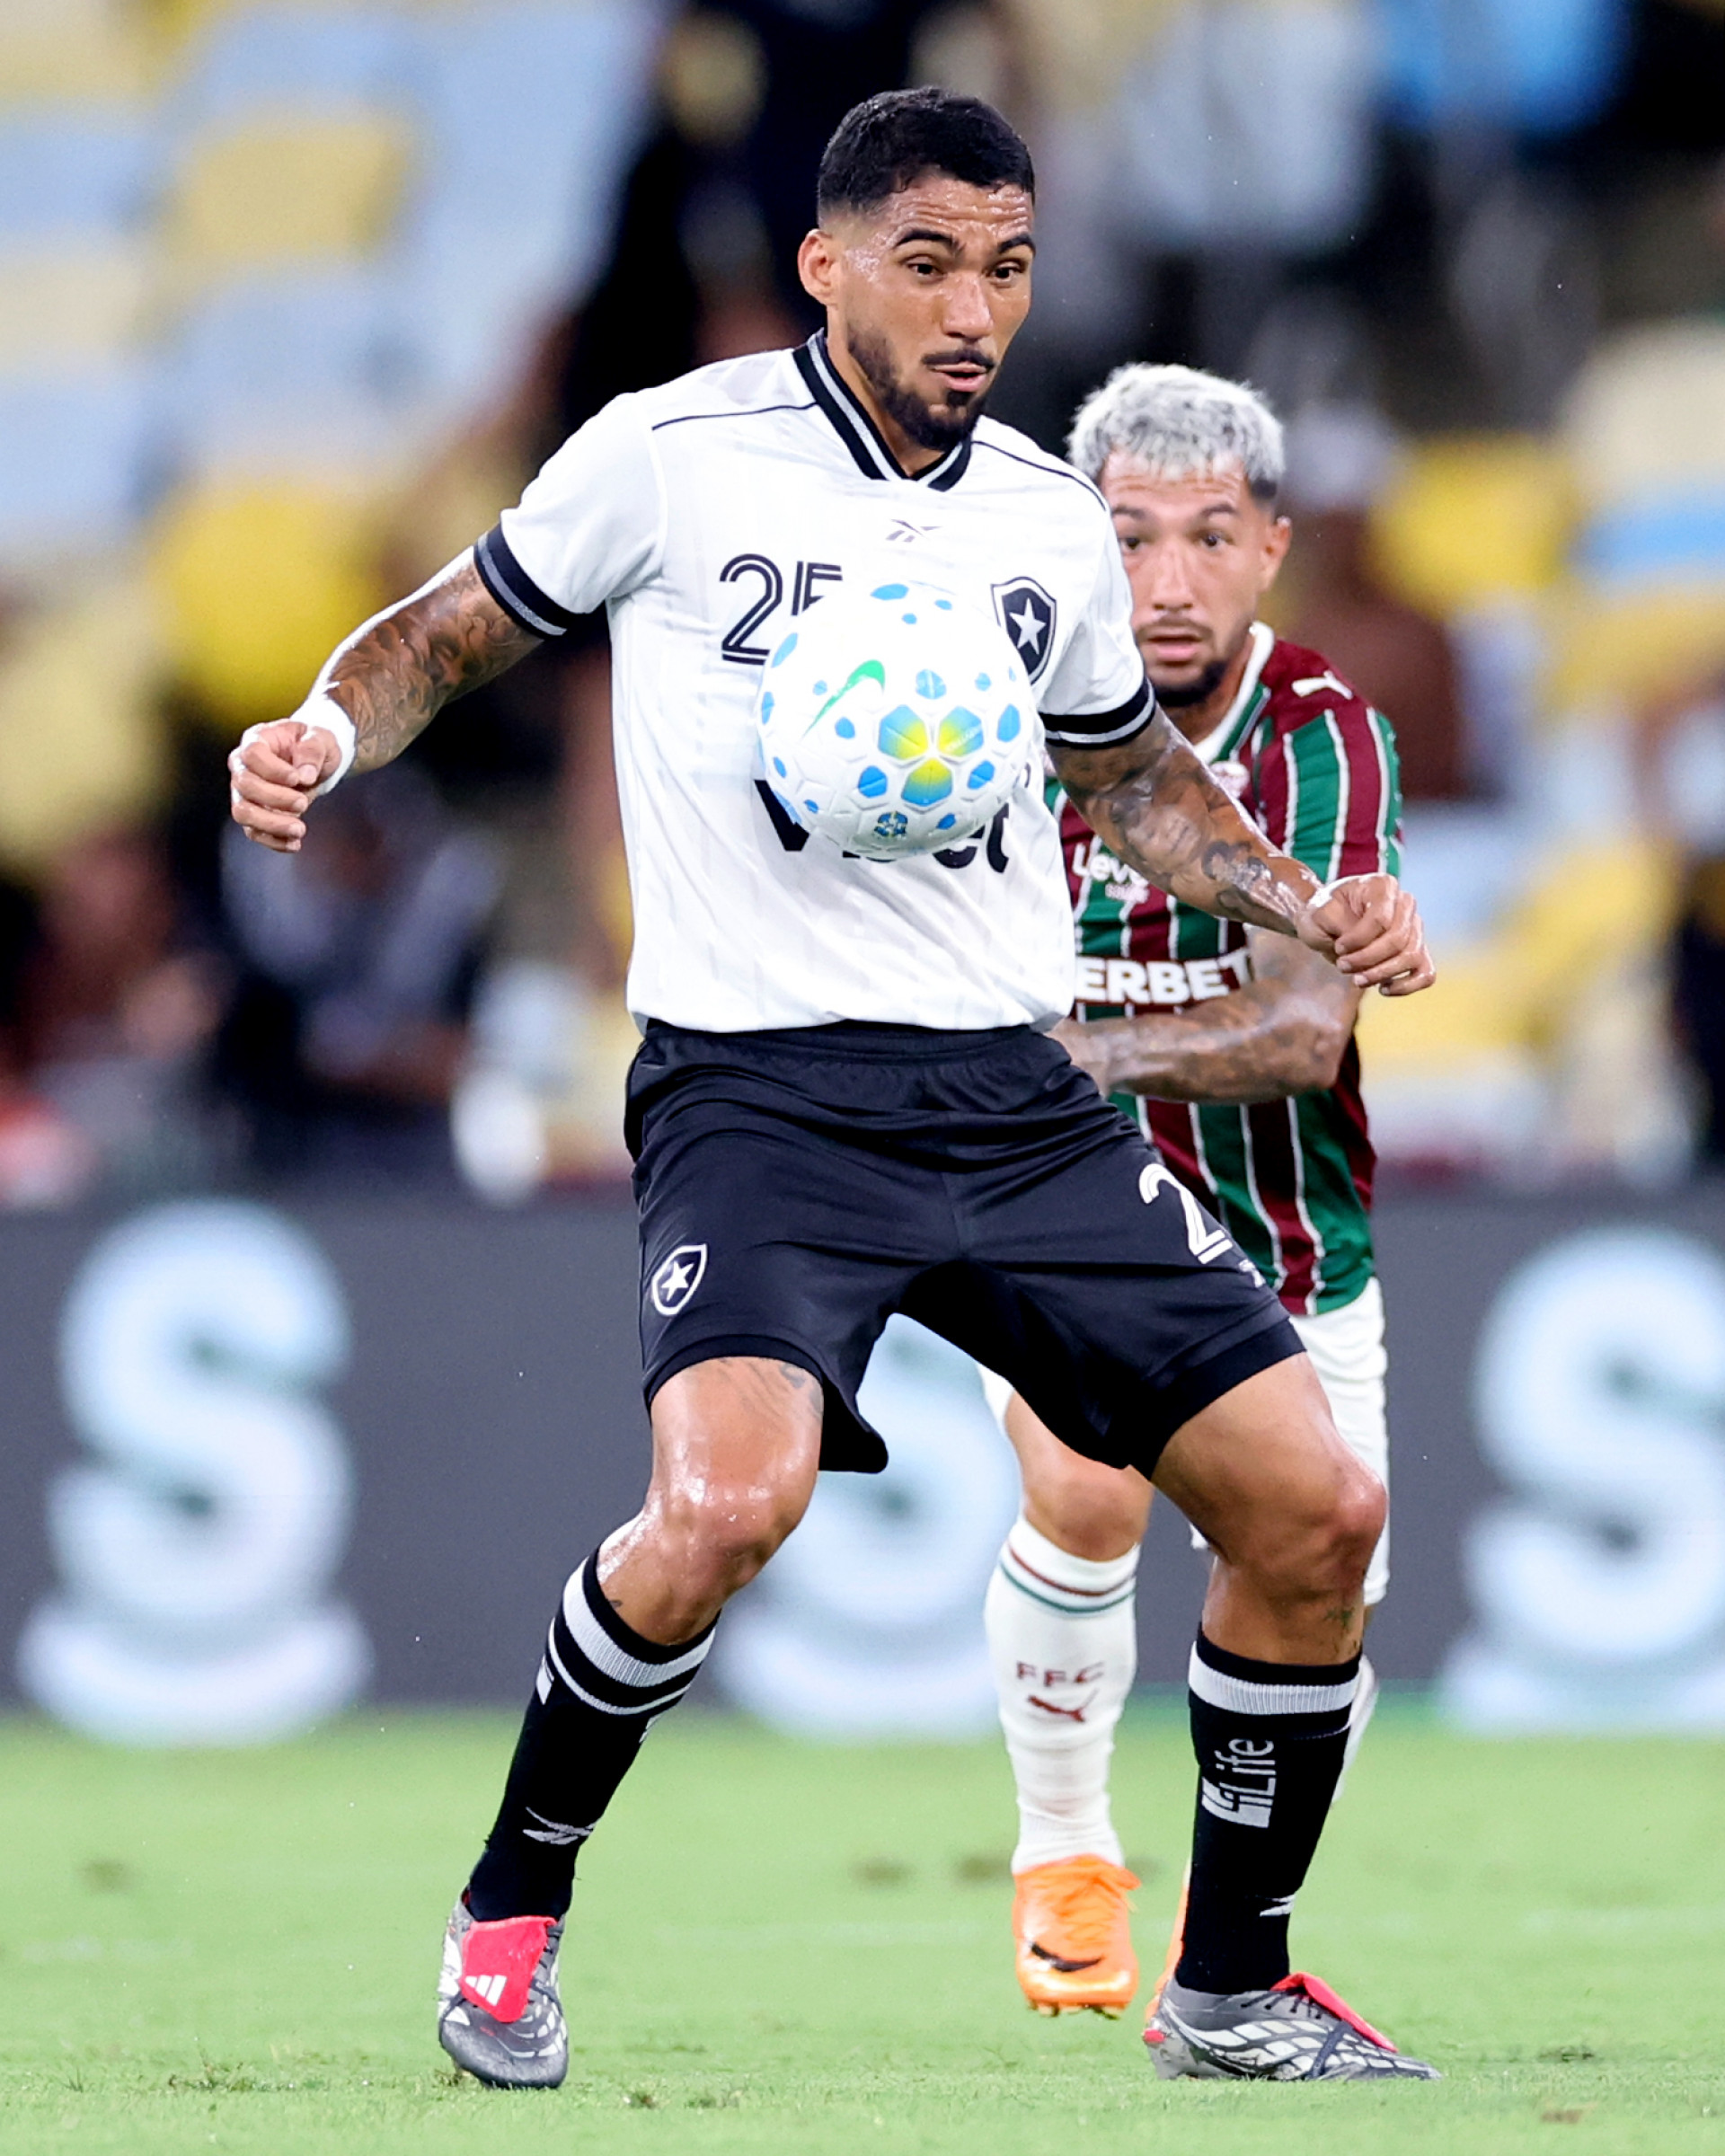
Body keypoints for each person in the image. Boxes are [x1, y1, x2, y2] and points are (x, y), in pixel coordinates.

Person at [227, 90, 1437, 2090]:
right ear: (828, 262)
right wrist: (317, 735)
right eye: (934, 261)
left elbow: (1129, 784)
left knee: (1321, 1511)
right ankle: (510, 1918)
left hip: (1014, 1093)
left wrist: (1309, 897)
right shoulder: (670, 456)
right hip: (762, 1104)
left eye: (1013, 267)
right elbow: (446, 637)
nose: (979, 309)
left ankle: (1231, 1988)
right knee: (721, 1511)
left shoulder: (1048, 514)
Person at [979, 365, 1404, 2028]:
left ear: (1273, 548)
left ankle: (1236, 1951)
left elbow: (1304, 1035)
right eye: (1129, 534)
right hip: (1066, 1222)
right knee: (1089, 1488)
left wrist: (1066, 1049)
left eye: (1209, 536)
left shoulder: (1319, 732)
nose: (1166, 580)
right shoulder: (992, 721)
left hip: (1295, 1240)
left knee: (1327, 1592)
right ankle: (1067, 1850)